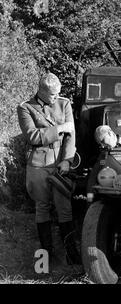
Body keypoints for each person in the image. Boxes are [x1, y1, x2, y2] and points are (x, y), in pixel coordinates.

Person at [17, 72, 81, 266]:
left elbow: (72, 136)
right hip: (38, 165)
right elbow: (32, 136)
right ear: (42, 91)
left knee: (65, 209)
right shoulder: (26, 108)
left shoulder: (64, 104)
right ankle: (45, 256)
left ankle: (72, 255)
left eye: (58, 93)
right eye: (53, 94)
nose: (56, 97)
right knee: (42, 208)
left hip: (60, 164)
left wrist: (67, 161)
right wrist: (59, 129)